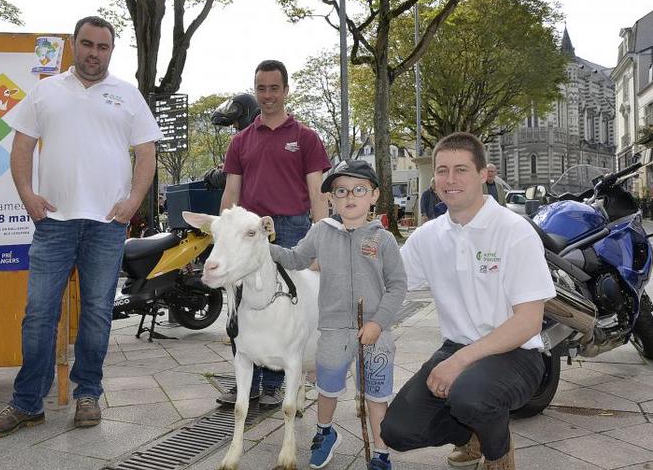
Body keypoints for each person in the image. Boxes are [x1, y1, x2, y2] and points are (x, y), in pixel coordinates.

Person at [0, 16, 162, 438]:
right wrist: (27, 194)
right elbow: (21, 146)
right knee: (39, 314)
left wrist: (133, 201)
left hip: (106, 225)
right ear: (74, 46)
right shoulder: (46, 91)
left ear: (111, 52)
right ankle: (27, 403)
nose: (93, 53)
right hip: (54, 223)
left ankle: (88, 394)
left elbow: (146, 153)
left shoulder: (128, 96)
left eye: (102, 46)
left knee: (97, 314)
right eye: (87, 44)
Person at [380, 132, 555, 470]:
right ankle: (471, 435)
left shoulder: (514, 231)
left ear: (482, 174)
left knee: (470, 397)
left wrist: (459, 363)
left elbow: (528, 322)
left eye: (461, 169)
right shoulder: (428, 236)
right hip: (456, 346)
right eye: (442, 170)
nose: (450, 179)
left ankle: (498, 451)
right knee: (397, 431)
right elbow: (391, 284)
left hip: (517, 354)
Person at [270, 159, 407, 470]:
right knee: (327, 387)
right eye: (340, 191)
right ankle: (325, 433)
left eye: (359, 189)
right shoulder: (321, 231)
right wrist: (261, 248)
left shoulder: (383, 238)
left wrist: (377, 322)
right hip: (331, 330)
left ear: (373, 195)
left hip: (376, 332)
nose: (349, 197)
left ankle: (382, 454)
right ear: (330, 199)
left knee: (375, 395)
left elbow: (398, 285)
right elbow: (295, 258)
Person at [219, 59, 331, 408]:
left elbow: (318, 194)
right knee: (243, 304)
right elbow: (231, 193)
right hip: (250, 235)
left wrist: (320, 242)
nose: (267, 95)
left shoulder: (306, 138)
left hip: (293, 230)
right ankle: (247, 384)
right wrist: (223, 233)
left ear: (285, 90)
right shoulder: (240, 141)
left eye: (274, 88)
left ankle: (273, 385)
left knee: (284, 308)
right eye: (261, 88)